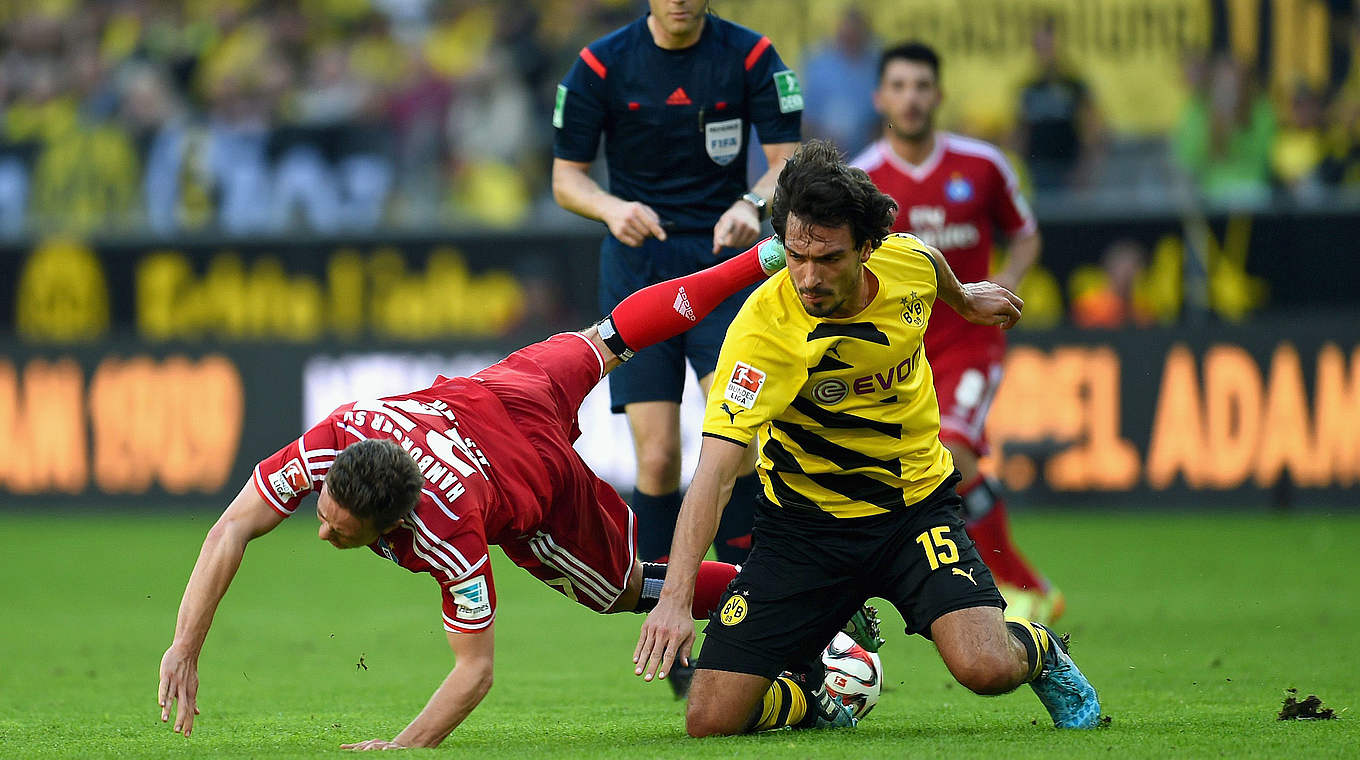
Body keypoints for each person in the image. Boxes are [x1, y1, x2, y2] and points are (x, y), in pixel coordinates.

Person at [156, 240, 880, 749]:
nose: (322, 533)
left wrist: (404, 748)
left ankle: (809, 594)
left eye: (343, 533)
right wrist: (186, 645)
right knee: (611, 335)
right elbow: (230, 529)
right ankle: (757, 261)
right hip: (510, 386)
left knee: (624, 589)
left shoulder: (449, 532)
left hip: (534, 476)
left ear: (391, 523)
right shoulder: (338, 435)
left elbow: (475, 674)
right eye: (324, 516)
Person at [634, 140, 1100, 736]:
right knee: (710, 717)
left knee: (984, 668)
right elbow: (717, 473)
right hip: (803, 530)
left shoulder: (906, 263)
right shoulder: (762, 332)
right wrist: (674, 600)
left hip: (913, 512)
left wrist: (967, 299)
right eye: (796, 255)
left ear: (867, 249)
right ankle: (821, 699)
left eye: (827, 258)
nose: (808, 276)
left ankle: (1039, 652)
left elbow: (930, 266)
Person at [551, 0, 801, 579]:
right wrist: (612, 209)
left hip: (724, 264)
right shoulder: (600, 65)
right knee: (659, 457)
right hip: (640, 270)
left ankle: (748, 609)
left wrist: (753, 203)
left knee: (738, 443)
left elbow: (786, 162)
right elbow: (567, 178)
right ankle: (669, 614)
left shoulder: (752, 56)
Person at [850, 42, 1063, 623]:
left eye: (922, 86)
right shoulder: (861, 180)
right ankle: (993, 582)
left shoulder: (983, 165)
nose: (911, 98)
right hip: (899, 348)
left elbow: (1025, 233)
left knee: (955, 453)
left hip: (971, 340)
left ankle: (1019, 585)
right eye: (899, 86)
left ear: (939, 95)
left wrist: (1008, 279)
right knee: (918, 468)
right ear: (880, 97)